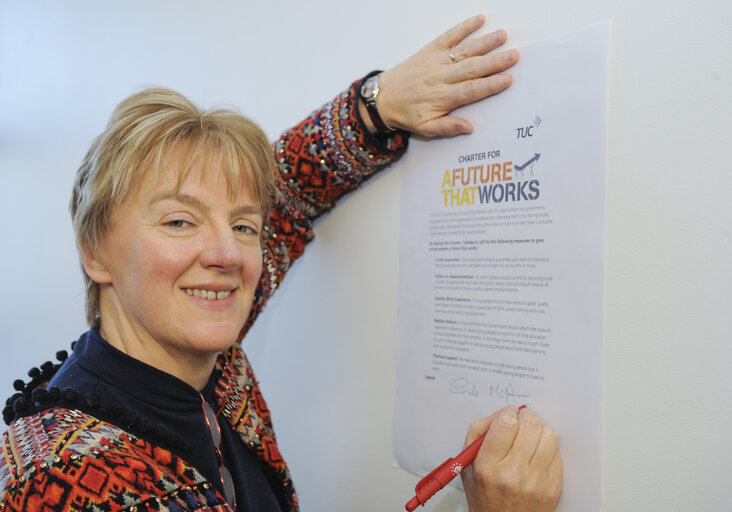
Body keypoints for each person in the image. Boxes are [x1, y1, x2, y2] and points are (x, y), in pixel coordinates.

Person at [0, 15, 561, 512]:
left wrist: (375, 107)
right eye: (179, 221)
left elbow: (287, 190)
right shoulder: (60, 480)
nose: (228, 254)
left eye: (244, 227)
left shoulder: (203, 356)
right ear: (95, 251)